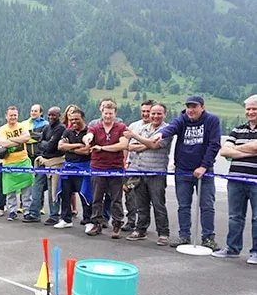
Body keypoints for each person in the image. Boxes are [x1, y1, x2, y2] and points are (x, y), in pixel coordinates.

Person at [154, 96, 221, 249]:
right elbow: (171, 128)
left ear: (202, 107)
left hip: (205, 171)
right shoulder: (182, 119)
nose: (191, 110)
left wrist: (204, 166)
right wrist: (161, 134)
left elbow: (214, 144)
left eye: (194, 107)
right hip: (182, 170)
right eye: (188, 107)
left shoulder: (212, 120)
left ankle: (208, 238)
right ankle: (184, 235)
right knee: (183, 205)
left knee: (207, 205)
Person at [213, 94, 257, 264]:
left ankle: (256, 252)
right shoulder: (238, 129)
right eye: (248, 109)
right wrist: (250, 149)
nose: (251, 112)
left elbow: (232, 151)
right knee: (235, 216)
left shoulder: (237, 135)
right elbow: (224, 152)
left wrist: (237, 150)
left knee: (256, 218)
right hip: (236, 179)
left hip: (255, 181)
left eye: (254, 109)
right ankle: (232, 249)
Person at [123, 103, 172, 245]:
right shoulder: (143, 129)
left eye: (159, 114)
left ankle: (163, 233)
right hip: (140, 171)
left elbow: (157, 145)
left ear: (164, 114)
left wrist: (140, 141)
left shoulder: (167, 130)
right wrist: (148, 144)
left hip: (157, 172)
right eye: (153, 113)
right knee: (141, 204)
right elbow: (130, 146)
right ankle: (140, 230)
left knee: (158, 204)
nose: (155, 116)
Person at [84, 100, 128, 238]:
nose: (108, 116)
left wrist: (102, 148)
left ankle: (117, 225)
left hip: (115, 168)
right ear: (101, 113)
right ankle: (97, 224)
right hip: (98, 167)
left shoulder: (121, 127)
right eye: (106, 113)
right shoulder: (95, 127)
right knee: (97, 198)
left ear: (115, 114)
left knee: (116, 198)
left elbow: (123, 145)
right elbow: (89, 136)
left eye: (110, 113)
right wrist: (88, 139)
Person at [25, 106, 64, 224]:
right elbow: (41, 143)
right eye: (50, 115)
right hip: (43, 161)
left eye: (54, 115)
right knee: (36, 186)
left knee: (53, 190)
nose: (51, 117)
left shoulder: (61, 128)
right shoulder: (47, 127)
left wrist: (45, 143)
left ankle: (54, 215)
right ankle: (34, 212)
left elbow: (51, 146)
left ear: (59, 116)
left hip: (55, 162)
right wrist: (46, 143)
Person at [55, 108, 93, 229]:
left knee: (85, 194)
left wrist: (69, 148)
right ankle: (66, 219)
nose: (74, 122)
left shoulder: (89, 132)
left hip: (84, 167)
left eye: (77, 119)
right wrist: (76, 146)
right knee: (65, 194)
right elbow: (60, 146)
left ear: (83, 118)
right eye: (71, 120)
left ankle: (88, 221)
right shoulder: (68, 131)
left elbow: (87, 151)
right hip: (68, 166)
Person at [0, 106, 33, 221]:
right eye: (11, 115)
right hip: (8, 163)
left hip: (23, 161)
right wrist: (18, 139)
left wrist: (11, 141)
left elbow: (27, 137)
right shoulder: (2, 129)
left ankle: (27, 210)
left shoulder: (22, 126)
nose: (13, 117)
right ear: (6, 116)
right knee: (10, 189)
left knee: (27, 188)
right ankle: (12, 211)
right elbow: (2, 143)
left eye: (15, 115)